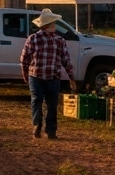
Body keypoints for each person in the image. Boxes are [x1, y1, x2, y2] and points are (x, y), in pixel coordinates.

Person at [20, 8, 77, 139]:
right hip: (52, 77)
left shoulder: (33, 38)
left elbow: (24, 58)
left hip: (36, 75)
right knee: (51, 104)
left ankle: (37, 124)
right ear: (48, 26)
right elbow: (66, 60)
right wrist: (71, 77)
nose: (55, 26)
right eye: (53, 24)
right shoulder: (59, 40)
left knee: (37, 101)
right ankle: (50, 130)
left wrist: (25, 73)